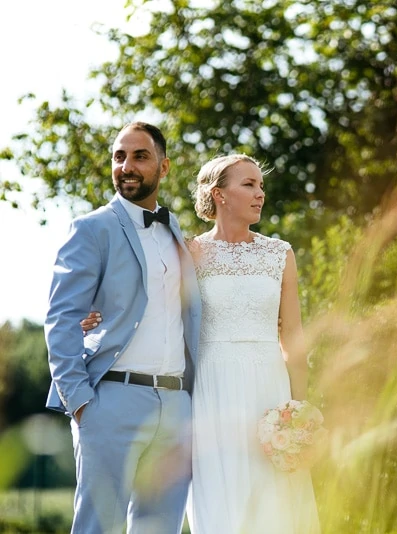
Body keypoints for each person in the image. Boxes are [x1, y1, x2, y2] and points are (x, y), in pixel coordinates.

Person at [82, 154, 320, 532]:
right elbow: (149, 310)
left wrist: (300, 412)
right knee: (221, 499)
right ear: (219, 194)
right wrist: (94, 317)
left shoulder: (281, 253)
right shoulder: (189, 252)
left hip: (270, 391)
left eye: (261, 186)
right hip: (210, 391)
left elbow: (293, 338)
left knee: (277, 502)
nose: (260, 194)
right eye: (249, 184)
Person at [45, 121, 202, 533]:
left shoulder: (177, 234)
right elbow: (61, 319)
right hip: (110, 400)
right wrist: (80, 402)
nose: (126, 166)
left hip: (176, 407)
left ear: (164, 167)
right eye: (119, 156)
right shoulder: (91, 229)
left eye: (139, 156)